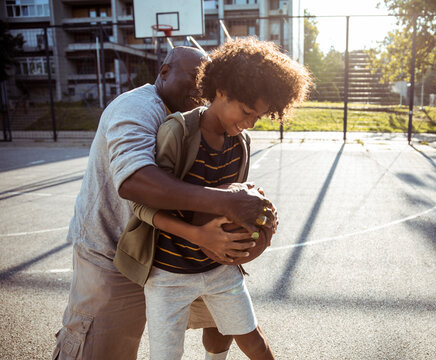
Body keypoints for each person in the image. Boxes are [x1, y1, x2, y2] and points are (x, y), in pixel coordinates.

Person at [52, 46, 277, 360]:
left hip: (187, 255)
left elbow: (229, 191)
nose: (201, 88)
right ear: (165, 71)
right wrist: (226, 203)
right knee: (103, 351)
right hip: (117, 253)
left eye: (206, 81)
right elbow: (135, 182)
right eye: (194, 78)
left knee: (229, 324)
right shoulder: (138, 107)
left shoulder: (224, 132)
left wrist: (251, 216)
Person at [114, 37, 311, 360]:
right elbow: (142, 204)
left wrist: (260, 219)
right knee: (166, 356)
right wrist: (197, 233)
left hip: (218, 267)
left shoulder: (240, 142)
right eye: (246, 112)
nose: (249, 123)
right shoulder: (177, 132)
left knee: (255, 344)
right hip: (169, 272)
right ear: (220, 91)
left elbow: (233, 200)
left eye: (257, 117)